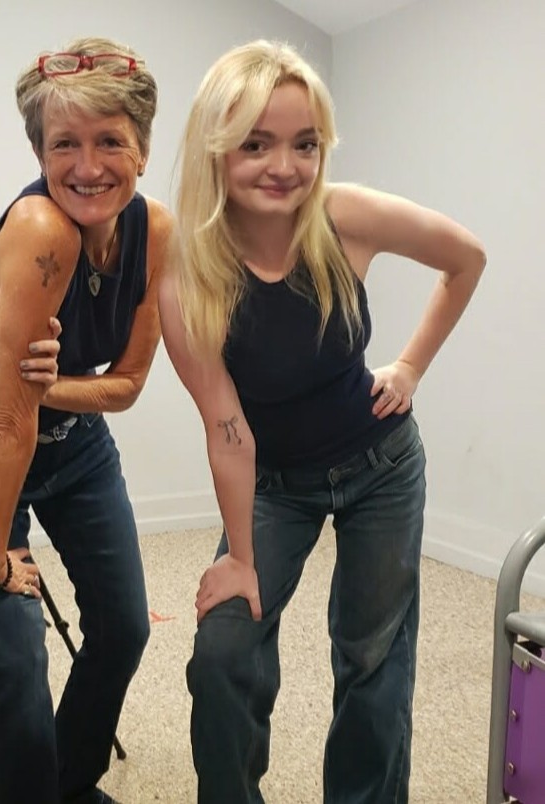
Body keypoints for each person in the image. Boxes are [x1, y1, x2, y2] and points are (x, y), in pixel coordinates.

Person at [159, 40, 486, 804]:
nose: (285, 166)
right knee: (222, 652)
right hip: (273, 482)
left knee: (372, 657)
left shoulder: (344, 218)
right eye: (256, 144)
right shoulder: (188, 277)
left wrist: (409, 367)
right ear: (215, 147)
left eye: (304, 144)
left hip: (382, 467)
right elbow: (227, 430)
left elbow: (466, 259)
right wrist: (240, 560)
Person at [0, 37, 171, 804]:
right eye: (65, 143)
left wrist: (52, 387)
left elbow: (127, 386)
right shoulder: (40, 231)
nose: (88, 166)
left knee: (124, 628)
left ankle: (67, 785)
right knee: (20, 652)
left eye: (110, 141)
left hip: (76, 450)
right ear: (38, 151)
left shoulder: (155, 233)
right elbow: (5, 424)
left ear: (143, 148)